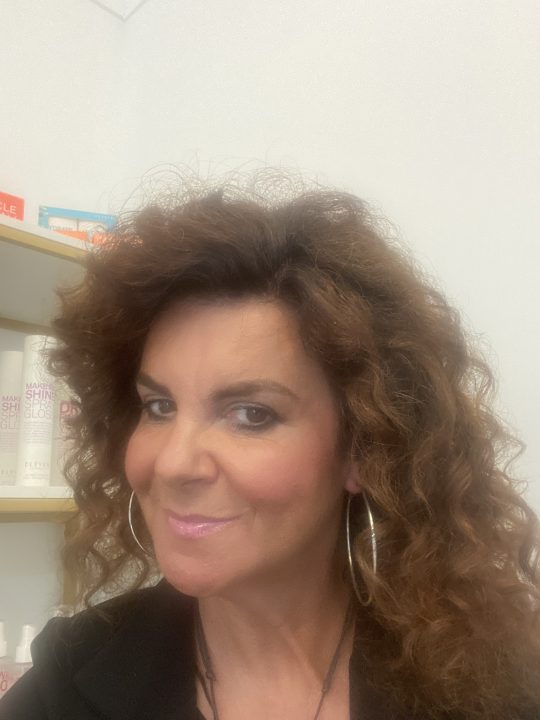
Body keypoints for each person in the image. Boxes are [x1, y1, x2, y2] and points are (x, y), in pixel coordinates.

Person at [1, 173, 539, 720]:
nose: (174, 463)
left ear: (363, 448)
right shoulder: (70, 682)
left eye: (251, 414)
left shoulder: (486, 682)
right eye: (158, 406)